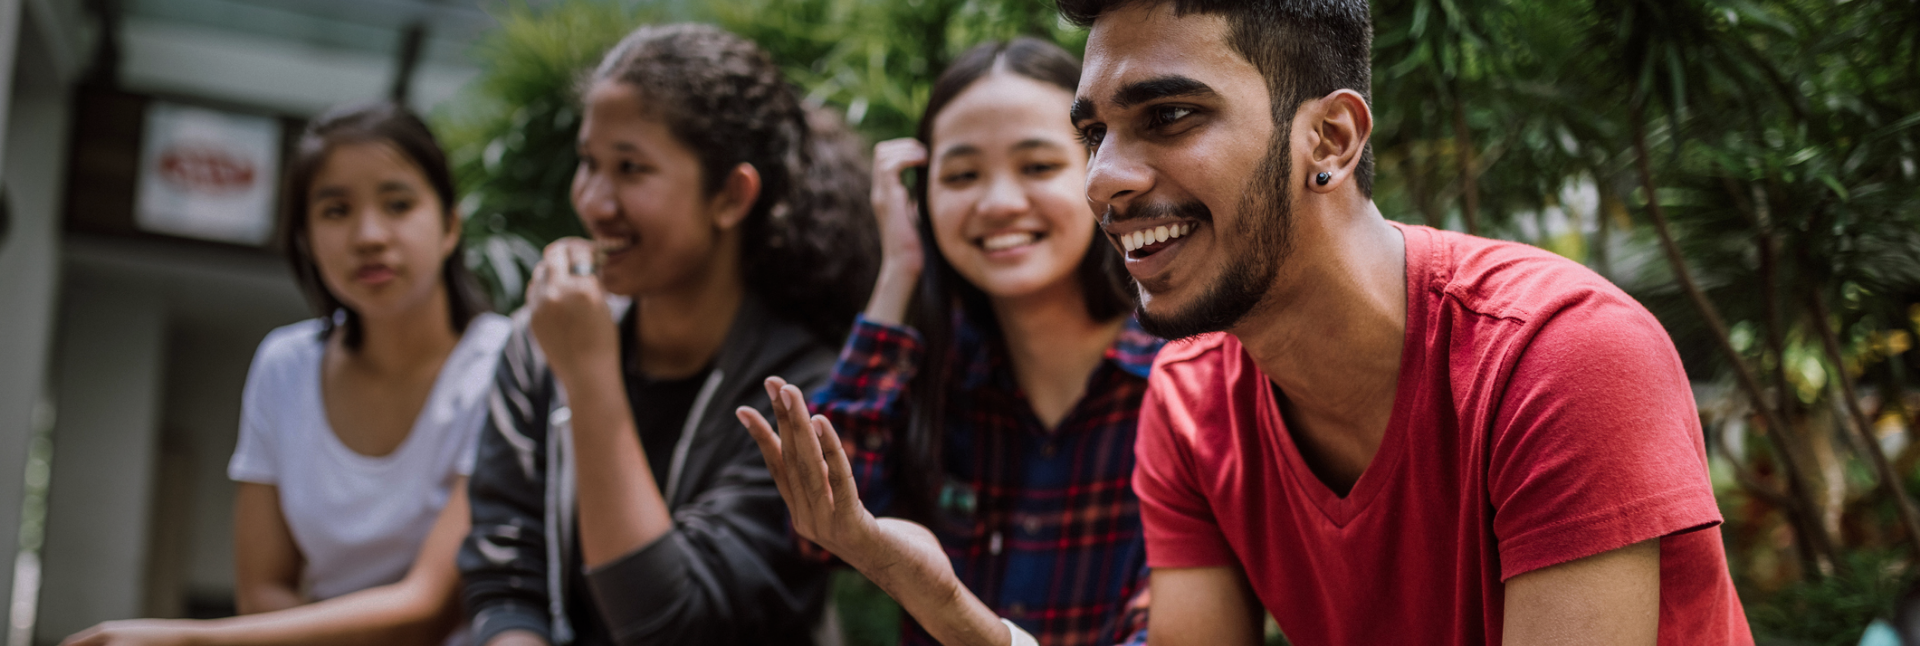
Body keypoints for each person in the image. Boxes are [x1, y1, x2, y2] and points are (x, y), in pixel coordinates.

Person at [747, 0, 1756, 644]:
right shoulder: (1190, 404)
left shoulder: (1562, 356)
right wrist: (941, 600)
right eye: (1094, 132)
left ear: (1331, 136)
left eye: (1169, 116)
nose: (1104, 179)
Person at [457, 23, 877, 646]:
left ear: (731, 196)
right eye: (589, 163)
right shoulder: (537, 344)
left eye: (631, 168)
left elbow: (671, 623)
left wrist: (591, 378)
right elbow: (505, 583)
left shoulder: (802, 395)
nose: (595, 202)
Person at [740, 37, 1161, 646]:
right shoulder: (930, 373)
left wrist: (947, 606)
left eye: (1038, 166)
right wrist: (898, 275)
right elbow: (817, 530)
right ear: (923, 196)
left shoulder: (1182, 382)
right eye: (962, 175)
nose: (997, 203)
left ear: (1101, 173)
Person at [63, 102, 510, 646]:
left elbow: (427, 609)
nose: (369, 234)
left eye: (398, 204)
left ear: (449, 226)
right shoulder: (285, 366)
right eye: (335, 210)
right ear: (305, 237)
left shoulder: (504, 364)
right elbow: (264, 591)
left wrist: (186, 641)